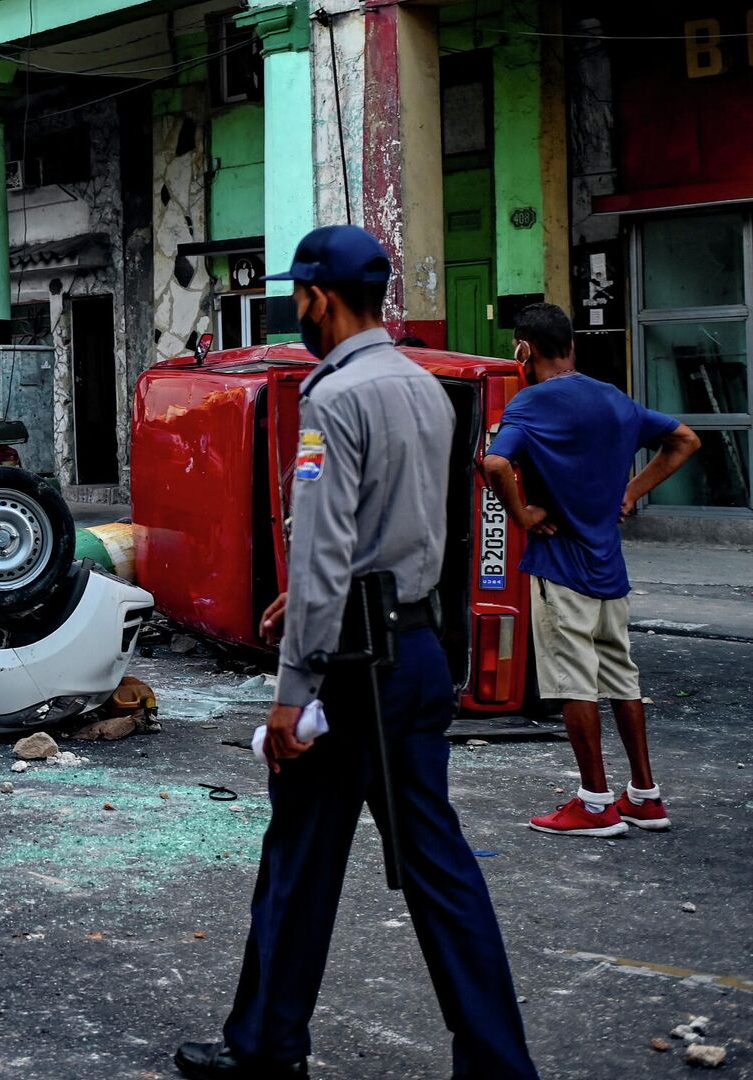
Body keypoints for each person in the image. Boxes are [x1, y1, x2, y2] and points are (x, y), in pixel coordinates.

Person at [175, 226, 538, 1080]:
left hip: (346, 668)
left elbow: (327, 545)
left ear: (320, 300)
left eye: (297, 296)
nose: (295, 310)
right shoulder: (422, 387)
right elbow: (400, 529)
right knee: (439, 870)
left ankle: (267, 1047)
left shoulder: (332, 399)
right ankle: (496, 1063)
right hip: (412, 650)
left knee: (301, 858)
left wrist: (289, 690)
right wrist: (306, 598)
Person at [481, 303, 700, 838]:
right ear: (572, 346)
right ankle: (645, 796)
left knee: (573, 682)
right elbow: (685, 439)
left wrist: (524, 515)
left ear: (523, 350)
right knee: (622, 679)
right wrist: (632, 490)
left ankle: (595, 802)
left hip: (561, 570)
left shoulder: (530, 404)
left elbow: (494, 463)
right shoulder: (614, 399)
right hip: (609, 569)